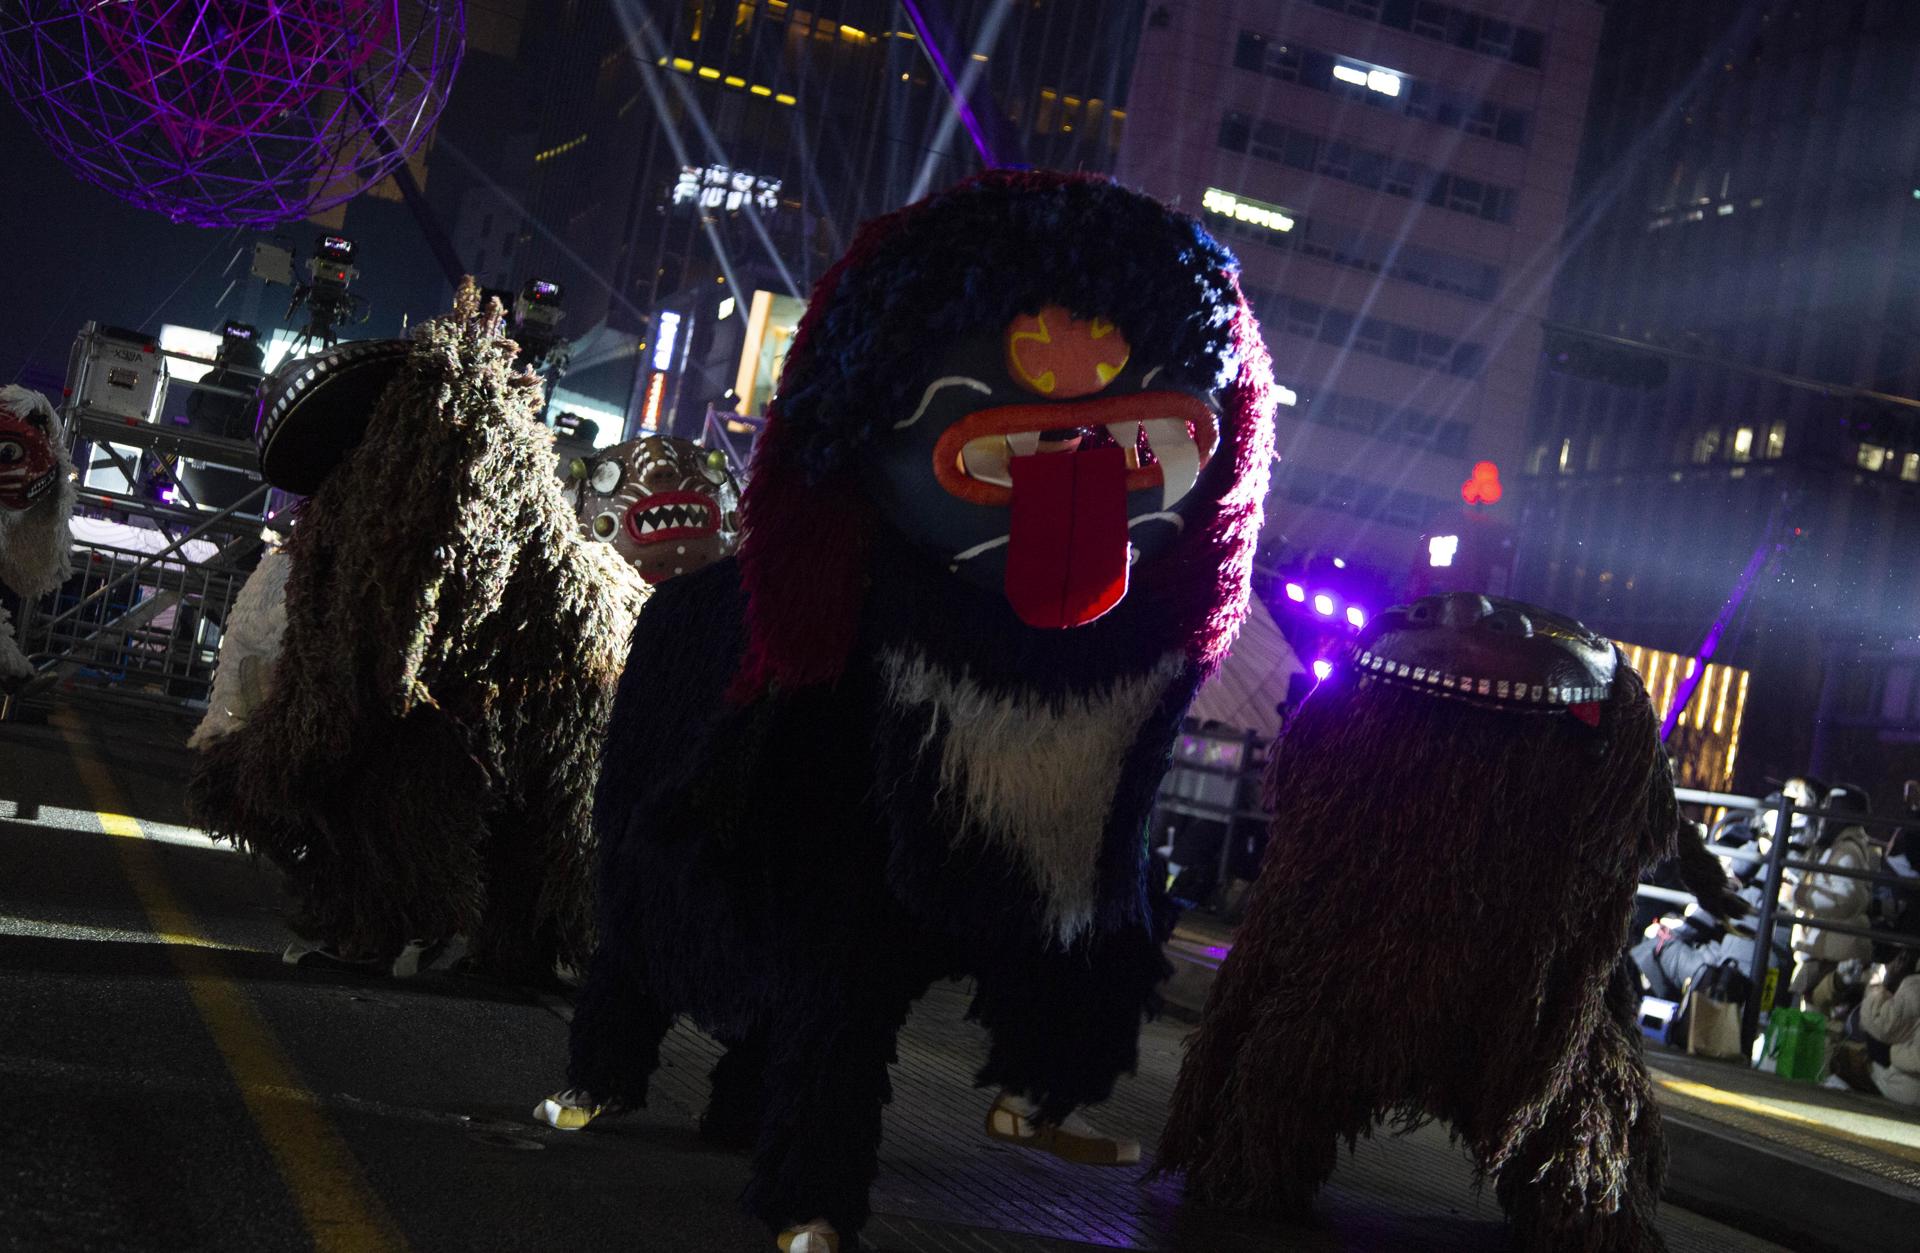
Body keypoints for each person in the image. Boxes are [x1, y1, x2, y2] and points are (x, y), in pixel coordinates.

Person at [1790, 783, 1878, 1007]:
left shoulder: (1847, 850)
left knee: (1819, 1020)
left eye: (1829, 807)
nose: (1822, 814)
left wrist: (1799, 895)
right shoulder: (1843, 846)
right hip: (1831, 947)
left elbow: (1847, 900)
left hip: (1836, 952)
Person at [1832, 950, 1920, 1105]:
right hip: (1905, 1082)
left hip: (1901, 1086)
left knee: (1836, 1059)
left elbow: (1879, 1022)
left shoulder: (1915, 987)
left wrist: (1878, 985)